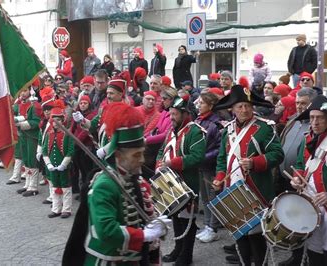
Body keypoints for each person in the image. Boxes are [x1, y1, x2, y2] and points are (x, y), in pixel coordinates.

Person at [63, 102, 171, 265]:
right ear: (119, 155)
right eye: (136, 155)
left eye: (142, 154)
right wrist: (144, 235)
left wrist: (154, 226)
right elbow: (106, 230)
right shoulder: (104, 185)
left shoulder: (134, 178)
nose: (141, 160)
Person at [212, 82, 285, 266]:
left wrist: (255, 162)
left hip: (256, 190)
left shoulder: (265, 127)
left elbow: (277, 154)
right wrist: (220, 178)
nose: (244, 109)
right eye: (240, 106)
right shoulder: (228, 130)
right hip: (232, 191)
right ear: (232, 109)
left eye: (247, 106)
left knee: (257, 239)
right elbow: (222, 158)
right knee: (241, 237)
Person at [156, 96, 207, 265]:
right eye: (170, 114)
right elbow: (162, 150)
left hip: (187, 183)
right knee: (176, 217)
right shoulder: (172, 130)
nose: (171, 118)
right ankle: (178, 249)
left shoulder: (195, 131)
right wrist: (159, 164)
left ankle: (187, 255)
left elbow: (197, 157)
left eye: (175, 114)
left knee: (187, 220)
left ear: (185, 114)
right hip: (170, 181)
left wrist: (173, 163)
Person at [290, 95, 327, 266]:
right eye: (312, 118)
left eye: (320, 118)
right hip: (311, 204)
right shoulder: (307, 139)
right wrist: (297, 178)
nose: (315, 122)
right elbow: (300, 164)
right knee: (314, 250)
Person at [276, 88, 318, 266]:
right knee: (291, 218)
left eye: (304, 103)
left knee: (305, 219)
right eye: (297, 103)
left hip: (305, 182)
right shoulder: (293, 121)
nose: (300, 107)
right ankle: (296, 256)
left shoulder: (316, 124)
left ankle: (308, 257)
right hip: (286, 178)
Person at [195, 92, 222, 243]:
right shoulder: (199, 120)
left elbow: (219, 148)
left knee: (213, 198)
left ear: (211, 106)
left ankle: (213, 228)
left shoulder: (216, 123)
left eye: (202, 103)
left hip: (210, 166)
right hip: (200, 165)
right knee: (204, 198)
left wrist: (202, 157)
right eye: (198, 102)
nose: (198, 105)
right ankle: (206, 225)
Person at [42, 100, 74, 218]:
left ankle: (67, 209)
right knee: (55, 187)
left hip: (63, 167)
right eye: (54, 120)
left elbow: (70, 151)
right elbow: (45, 151)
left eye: (58, 120)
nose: (55, 123)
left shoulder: (67, 134)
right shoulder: (49, 134)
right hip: (52, 166)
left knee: (65, 187)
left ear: (62, 121)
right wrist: (48, 164)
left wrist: (64, 164)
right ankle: (56, 209)